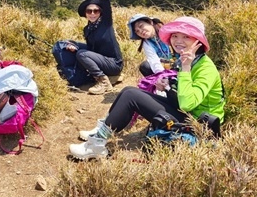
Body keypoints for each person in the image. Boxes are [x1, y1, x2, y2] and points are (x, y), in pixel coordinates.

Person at [69, 16, 225, 160]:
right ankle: (101, 130)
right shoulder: (189, 59)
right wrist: (167, 88)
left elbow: (187, 103)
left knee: (132, 97)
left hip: (198, 126)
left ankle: (96, 144)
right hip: (186, 113)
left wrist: (185, 68)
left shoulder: (205, 68)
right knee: (129, 91)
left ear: (198, 41)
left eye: (186, 36)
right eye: (175, 36)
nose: (178, 41)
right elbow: (184, 94)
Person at [52, 0, 124, 95]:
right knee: (70, 44)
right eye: (89, 11)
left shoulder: (106, 23)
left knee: (82, 54)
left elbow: (107, 2)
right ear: (85, 14)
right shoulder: (87, 29)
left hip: (114, 63)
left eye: (95, 11)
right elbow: (92, 49)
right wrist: (74, 47)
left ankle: (103, 82)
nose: (92, 13)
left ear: (100, 13)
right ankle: (82, 74)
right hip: (101, 59)